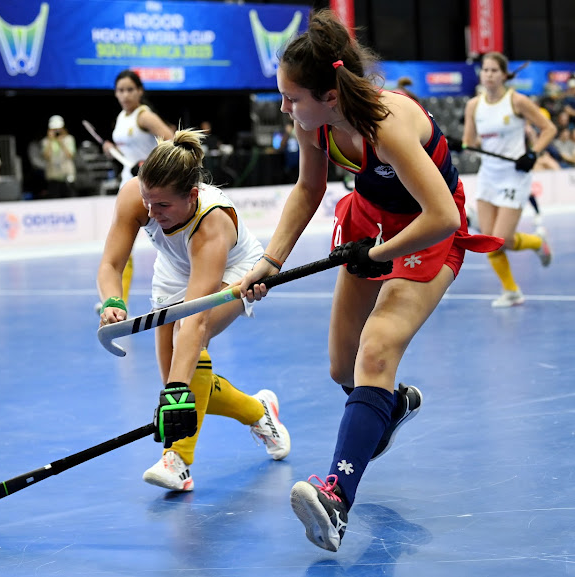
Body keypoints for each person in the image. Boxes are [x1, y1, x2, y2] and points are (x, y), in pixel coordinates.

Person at [237, 9, 503, 552]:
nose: (285, 107)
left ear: (330, 95)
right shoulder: (311, 121)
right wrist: (271, 260)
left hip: (425, 229)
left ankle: (336, 496)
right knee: (345, 367)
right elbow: (309, 190)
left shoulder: (388, 124)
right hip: (369, 222)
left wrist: (377, 255)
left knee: (376, 351)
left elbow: (443, 217)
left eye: (292, 97)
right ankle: (391, 403)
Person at [97, 128, 291, 492]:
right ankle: (257, 411)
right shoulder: (135, 196)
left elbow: (197, 320)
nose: (151, 213)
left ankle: (178, 460)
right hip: (174, 268)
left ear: (192, 195)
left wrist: (174, 391)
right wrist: (112, 301)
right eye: (147, 202)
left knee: (185, 356)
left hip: (233, 267)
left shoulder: (211, 223)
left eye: (163, 206)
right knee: (178, 379)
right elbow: (110, 265)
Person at [461, 51, 557, 307]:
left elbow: (549, 129)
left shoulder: (517, 101)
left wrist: (533, 153)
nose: (489, 74)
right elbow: (469, 142)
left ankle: (536, 242)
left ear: (504, 75)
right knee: (488, 241)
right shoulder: (473, 105)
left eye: (494, 70)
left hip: (515, 176)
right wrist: (460, 145)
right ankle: (512, 291)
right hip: (488, 176)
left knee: (499, 240)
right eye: (485, 70)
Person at [101, 70, 174, 306]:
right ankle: (117, 300)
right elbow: (129, 154)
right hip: (129, 189)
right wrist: (112, 150)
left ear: (140, 91)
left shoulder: (144, 116)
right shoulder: (122, 117)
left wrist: (147, 165)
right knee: (123, 249)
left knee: (170, 245)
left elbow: (172, 142)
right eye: (120, 90)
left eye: (130, 89)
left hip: (151, 190)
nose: (124, 95)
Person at [40, 115, 76, 198]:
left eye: (58, 129)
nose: (56, 131)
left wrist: (61, 142)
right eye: (54, 129)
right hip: (53, 177)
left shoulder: (69, 139)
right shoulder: (46, 141)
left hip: (67, 176)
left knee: (70, 199)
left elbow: (70, 155)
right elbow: (46, 157)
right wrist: (50, 140)